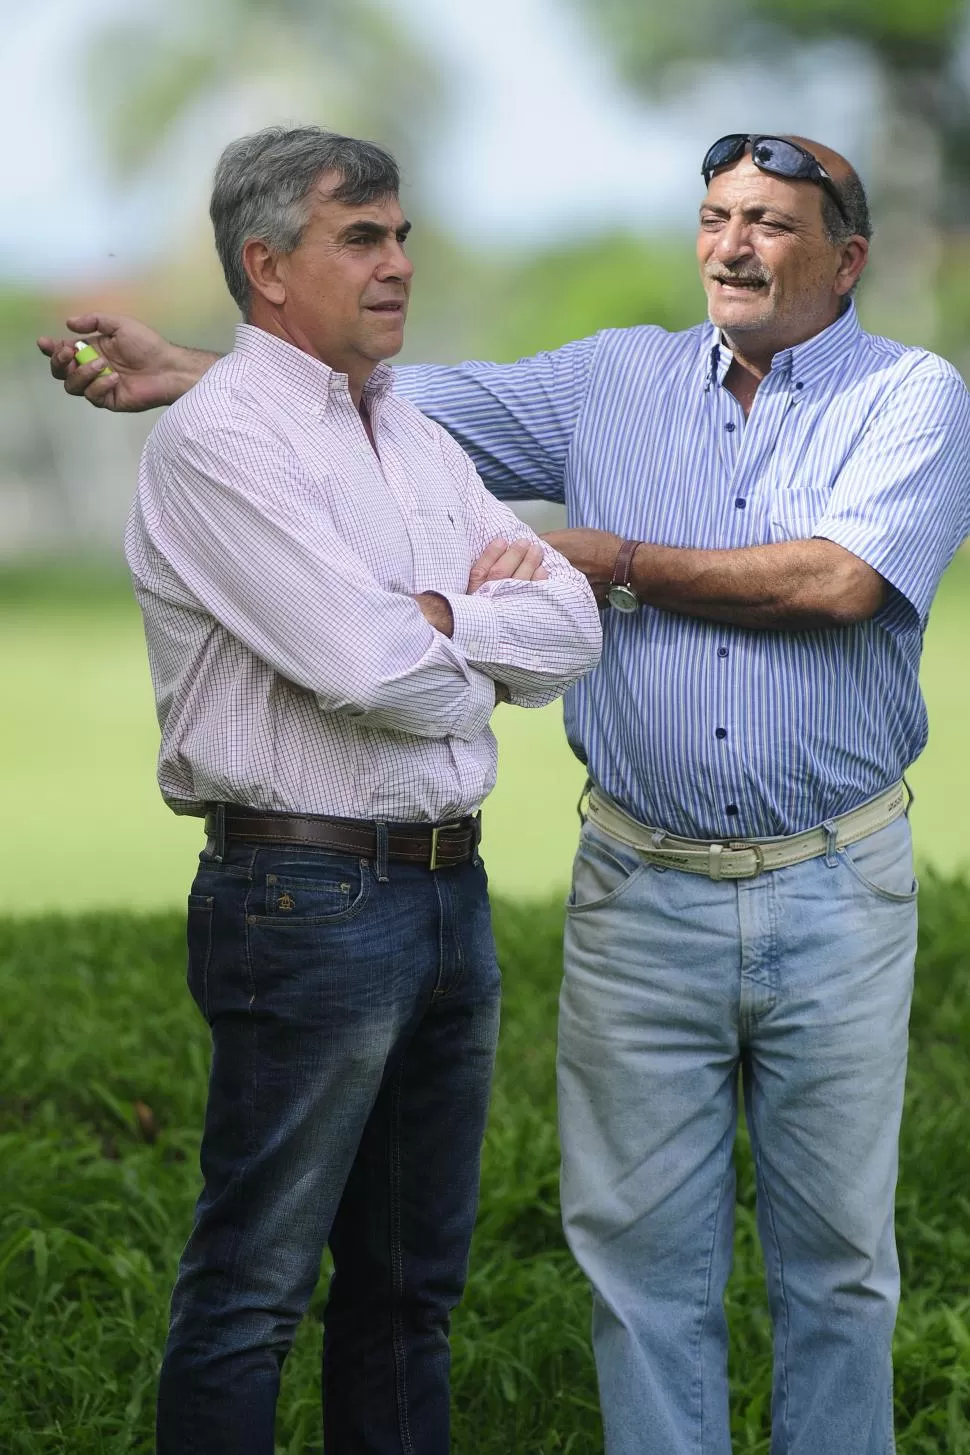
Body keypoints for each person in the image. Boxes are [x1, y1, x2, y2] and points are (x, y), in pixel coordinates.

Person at [39, 133, 969, 1453]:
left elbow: (838, 583)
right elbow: (393, 402)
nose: (732, 244)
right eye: (714, 216)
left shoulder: (911, 395)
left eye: (767, 220)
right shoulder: (609, 379)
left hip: (836, 883)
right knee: (639, 1272)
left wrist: (603, 560)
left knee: (837, 1266)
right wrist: (189, 370)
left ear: (846, 256)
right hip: (637, 888)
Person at [61, 124, 602, 1455]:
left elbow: (574, 619)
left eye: (401, 234)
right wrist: (465, 624)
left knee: (409, 1291)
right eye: (359, 237)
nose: (398, 263)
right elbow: (368, 667)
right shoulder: (218, 440)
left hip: (444, 893)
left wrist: (433, 618)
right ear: (266, 264)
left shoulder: (414, 438)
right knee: (253, 1288)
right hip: (299, 896)